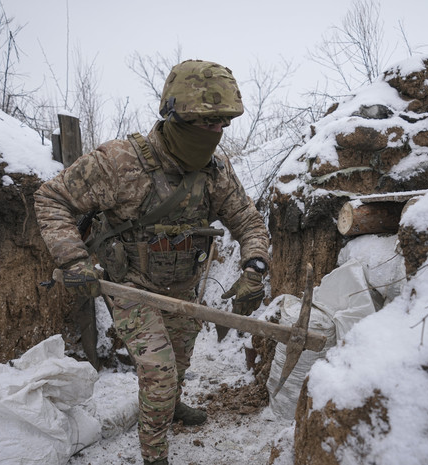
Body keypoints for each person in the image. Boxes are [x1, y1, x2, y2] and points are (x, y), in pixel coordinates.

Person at [33, 59, 270, 465]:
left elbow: (247, 219)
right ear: (175, 116)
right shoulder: (118, 162)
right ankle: (154, 455)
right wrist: (73, 260)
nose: (215, 132)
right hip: (131, 288)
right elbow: (52, 198)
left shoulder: (216, 170)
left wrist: (255, 265)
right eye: (206, 123)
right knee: (159, 374)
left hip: (183, 287)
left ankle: (172, 407)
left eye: (223, 124)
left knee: (179, 361)